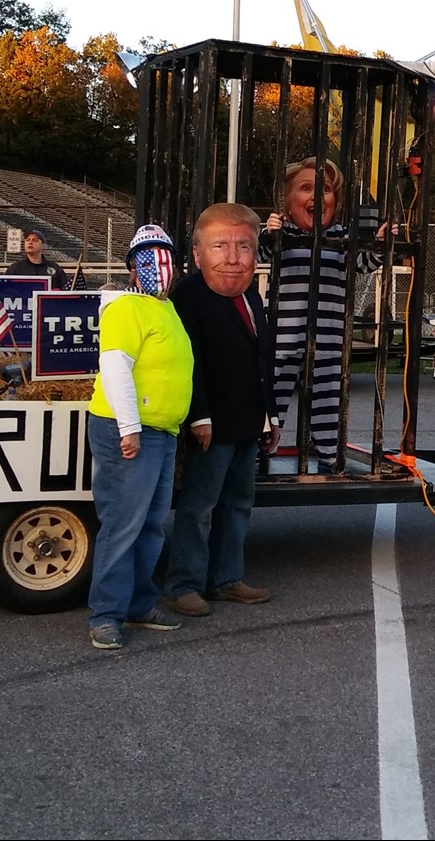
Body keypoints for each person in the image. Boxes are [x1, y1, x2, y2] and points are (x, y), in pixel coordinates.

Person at [164, 203, 279, 618]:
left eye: (243, 246)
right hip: (209, 426)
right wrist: (199, 416)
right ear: (197, 255)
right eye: (220, 246)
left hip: (248, 423)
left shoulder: (249, 293)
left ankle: (226, 579)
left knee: (238, 505)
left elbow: (261, 359)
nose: (233, 257)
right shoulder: (186, 298)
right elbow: (185, 363)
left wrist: (272, 416)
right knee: (199, 508)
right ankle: (183, 585)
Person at [84, 224, 194, 651]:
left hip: (161, 432)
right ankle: (106, 614)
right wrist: (129, 427)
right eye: (147, 259)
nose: (158, 268)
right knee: (124, 524)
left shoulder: (164, 308)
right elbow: (115, 368)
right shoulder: (126, 308)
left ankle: (137, 603)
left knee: (150, 525)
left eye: (165, 258)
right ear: (132, 268)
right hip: (129, 430)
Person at [261, 156, 384, 474]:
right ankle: (259, 457)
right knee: (269, 402)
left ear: (336, 202)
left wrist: (382, 243)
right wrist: (268, 233)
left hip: (327, 341)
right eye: (305, 188)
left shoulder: (340, 238)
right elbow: (258, 252)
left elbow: (365, 263)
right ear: (287, 202)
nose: (317, 196)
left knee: (328, 404)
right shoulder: (282, 234)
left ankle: (330, 460)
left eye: (326, 190)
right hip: (281, 340)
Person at [6, 228, 70, 289]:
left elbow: (65, 289)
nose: (30, 242)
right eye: (27, 240)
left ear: (42, 245)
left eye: (35, 240)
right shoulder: (16, 268)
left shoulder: (54, 268)